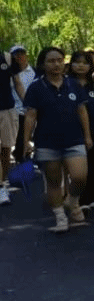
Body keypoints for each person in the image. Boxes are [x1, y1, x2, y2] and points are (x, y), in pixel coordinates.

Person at [21, 47, 90, 231]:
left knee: (80, 177)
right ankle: (60, 217)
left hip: (74, 139)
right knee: (54, 181)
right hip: (47, 142)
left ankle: (72, 201)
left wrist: (88, 135)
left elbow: (82, 111)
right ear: (43, 64)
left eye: (59, 60)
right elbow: (30, 116)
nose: (56, 64)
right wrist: (26, 141)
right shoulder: (36, 87)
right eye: (51, 61)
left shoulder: (73, 84)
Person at [68, 50, 94, 209]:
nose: (81, 66)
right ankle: (80, 198)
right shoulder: (66, 83)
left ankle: (93, 196)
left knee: (93, 164)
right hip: (74, 130)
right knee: (78, 168)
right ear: (71, 64)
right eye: (77, 62)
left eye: (85, 63)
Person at [1, 45, 28, 205]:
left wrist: (28, 103)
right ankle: (0, 188)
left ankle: (3, 181)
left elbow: (17, 83)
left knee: (5, 150)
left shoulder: (7, 58)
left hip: (7, 109)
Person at [11, 46, 35, 164]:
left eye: (21, 53)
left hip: (32, 110)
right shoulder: (8, 73)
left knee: (27, 137)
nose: (19, 57)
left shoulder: (35, 72)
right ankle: (20, 157)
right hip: (14, 110)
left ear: (26, 55)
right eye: (16, 55)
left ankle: (23, 156)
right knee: (18, 138)